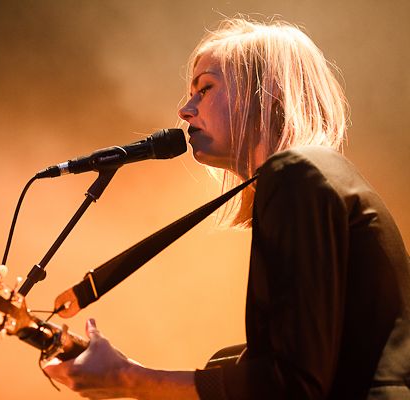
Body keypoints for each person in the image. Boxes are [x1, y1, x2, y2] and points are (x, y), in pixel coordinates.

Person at [44, 18, 410, 399]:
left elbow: (293, 385)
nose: (185, 110)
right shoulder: (311, 175)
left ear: (267, 94)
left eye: (205, 88)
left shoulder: (298, 173)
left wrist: (130, 379)